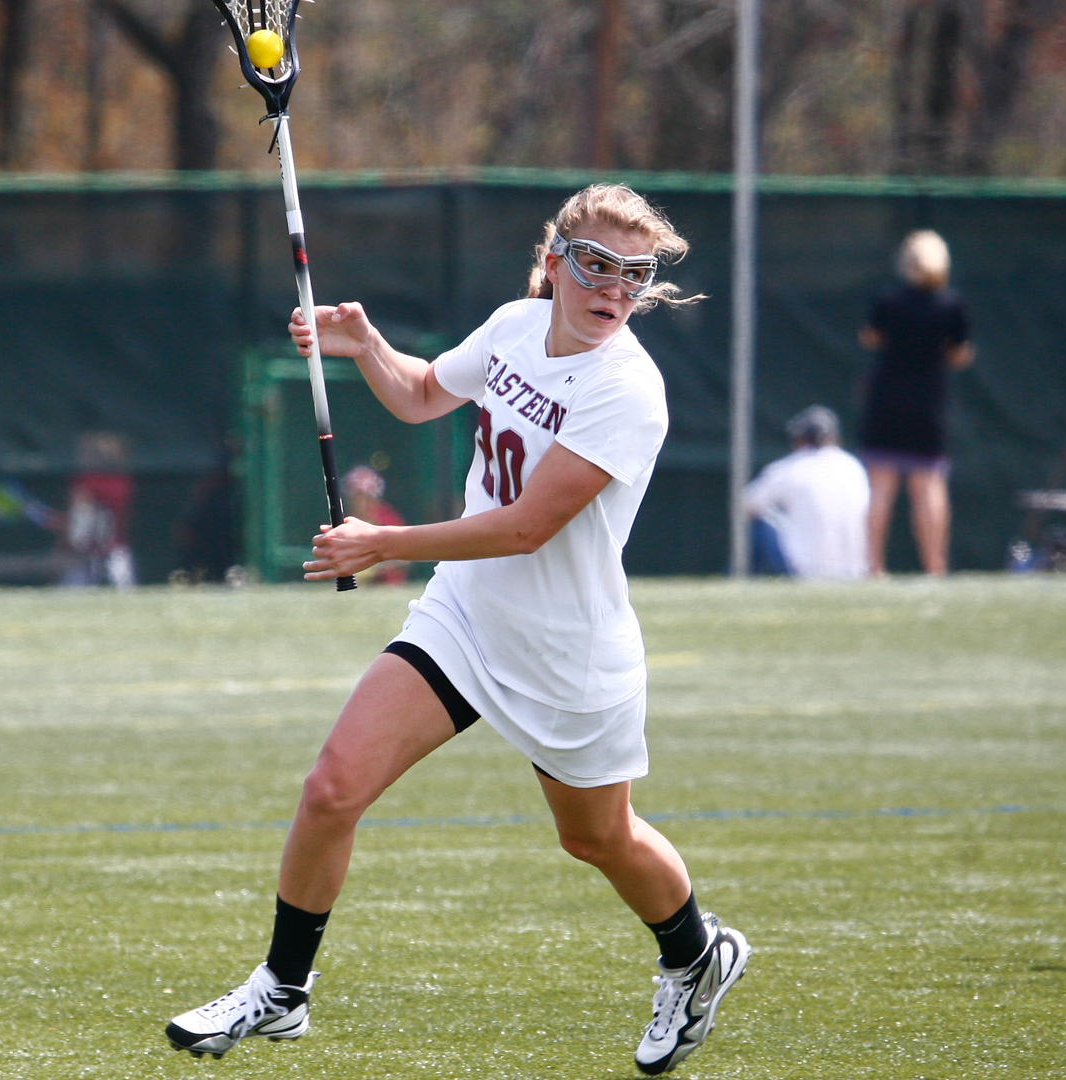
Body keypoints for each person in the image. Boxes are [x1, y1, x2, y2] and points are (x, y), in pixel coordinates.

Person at [162, 184, 751, 1074]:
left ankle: (695, 953)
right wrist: (365, 345)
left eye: (634, 275)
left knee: (597, 838)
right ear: (556, 258)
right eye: (596, 264)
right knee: (332, 789)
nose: (613, 288)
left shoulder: (629, 390)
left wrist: (384, 543)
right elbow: (422, 395)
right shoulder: (517, 325)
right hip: (466, 617)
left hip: (567, 656)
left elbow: (525, 527)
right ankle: (283, 992)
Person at [858, 229, 973, 576]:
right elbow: (960, 355)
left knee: (880, 487)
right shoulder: (951, 305)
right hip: (929, 404)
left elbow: (870, 338)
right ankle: (934, 567)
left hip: (887, 400)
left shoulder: (888, 301)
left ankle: (874, 567)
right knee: (929, 486)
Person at [742, 405, 870, 580]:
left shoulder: (788, 467)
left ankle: (738, 580)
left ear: (799, 439)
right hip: (855, 571)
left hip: (804, 570)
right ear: (834, 437)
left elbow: (745, 506)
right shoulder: (853, 466)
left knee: (758, 524)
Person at [58, 430, 136, 589]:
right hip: (117, 555)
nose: (81, 457)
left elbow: (79, 525)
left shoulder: (86, 481)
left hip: (93, 556)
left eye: (87, 454)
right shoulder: (124, 480)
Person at [344, 465, 409, 585]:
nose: (362, 503)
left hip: (387, 584)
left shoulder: (388, 519)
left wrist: (378, 566)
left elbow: (405, 558)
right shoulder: (346, 522)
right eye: (357, 497)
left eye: (368, 497)